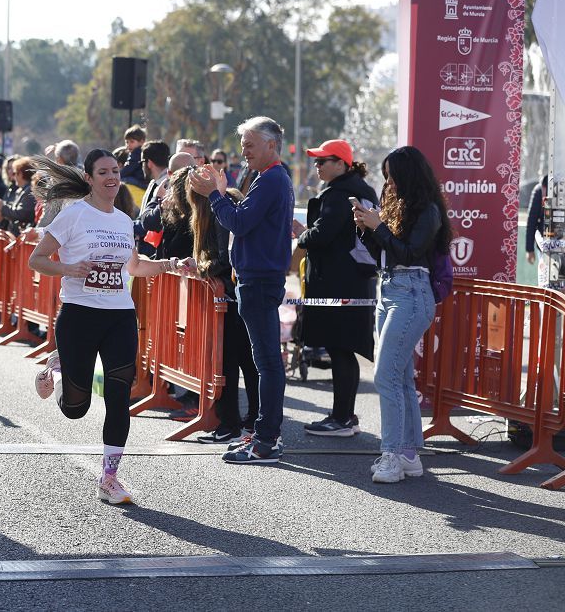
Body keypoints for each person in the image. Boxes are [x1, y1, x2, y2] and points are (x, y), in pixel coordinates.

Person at [28, 150, 195, 504]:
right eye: (103, 172)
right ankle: (57, 369)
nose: (112, 177)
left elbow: (134, 267)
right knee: (76, 408)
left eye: (115, 171)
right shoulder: (73, 216)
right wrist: (68, 269)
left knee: (119, 396)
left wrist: (173, 264)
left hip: (120, 315)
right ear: (88, 178)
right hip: (79, 315)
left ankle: (109, 478)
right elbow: (36, 259)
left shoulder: (123, 220)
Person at [188, 116, 293, 465]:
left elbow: (238, 221)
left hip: (259, 281)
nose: (243, 152)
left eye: (249, 145)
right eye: (243, 144)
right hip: (256, 279)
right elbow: (243, 222)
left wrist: (215, 196)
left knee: (266, 364)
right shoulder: (270, 179)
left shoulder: (272, 179)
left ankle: (265, 441)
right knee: (264, 363)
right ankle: (264, 436)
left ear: (270, 145)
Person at [354, 145, 451, 483]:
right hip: (392, 290)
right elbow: (383, 253)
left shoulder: (428, 212)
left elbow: (409, 253)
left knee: (385, 374)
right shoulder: (400, 207)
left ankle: (392, 454)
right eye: (386, 178)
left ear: (409, 176)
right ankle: (408, 454)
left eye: (393, 177)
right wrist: (367, 228)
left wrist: (379, 227)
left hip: (411, 292)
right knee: (400, 375)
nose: (389, 184)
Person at [291, 139, 379, 437]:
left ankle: (342, 419)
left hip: (340, 283)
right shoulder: (357, 189)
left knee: (340, 350)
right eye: (316, 161)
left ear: (341, 164)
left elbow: (324, 235)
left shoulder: (340, 193)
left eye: (322, 161)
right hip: (354, 282)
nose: (317, 166)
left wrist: (302, 236)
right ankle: (344, 416)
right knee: (342, 350)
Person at [187, 175, 260, 443]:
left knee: (231, 365)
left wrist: (200, 268)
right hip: (237, 297)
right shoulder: (225, 205)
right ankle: (250, 422)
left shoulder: (219, 209)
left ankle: (232, 425)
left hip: (233, 299)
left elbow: (223, 259)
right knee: (245, 364)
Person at [0, 156, 36, 236]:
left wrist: (1, 206)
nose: (13, 176)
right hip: (14, 235)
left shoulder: (29, 191)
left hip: (19, 236)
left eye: (15, 173)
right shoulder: (21, 190)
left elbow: (21, 214)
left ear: (21, 174)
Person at [526, 174, 547, 265]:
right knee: (546, 278)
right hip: (545, 246)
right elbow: (532, 220)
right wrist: (530, 249)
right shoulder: (540, 190)